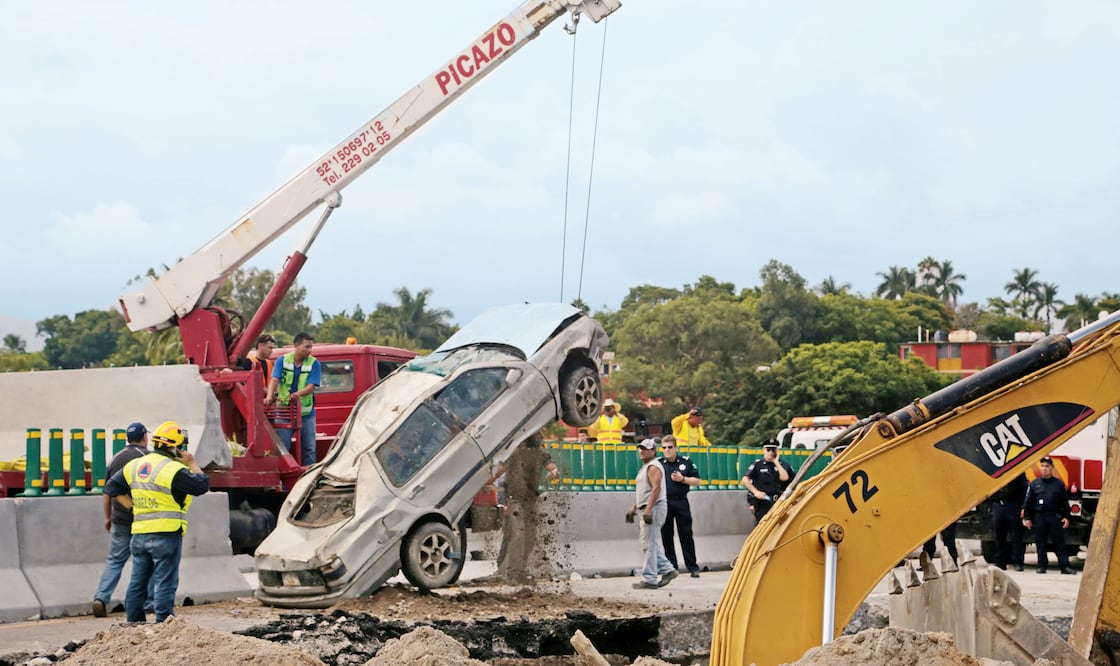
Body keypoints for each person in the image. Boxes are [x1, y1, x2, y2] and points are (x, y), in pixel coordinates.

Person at [104, 421, 210, 623]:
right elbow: (202, 485)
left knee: (137, 582)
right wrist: (192, 463)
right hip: (166, 533)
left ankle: (134, 623)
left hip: (140, 533)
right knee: (165, 581)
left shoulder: (135, 466)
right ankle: (164, 624)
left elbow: (111, 488)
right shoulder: (172, 470)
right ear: (176, 447)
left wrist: (132, 507)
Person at [91, 422, 154, 617]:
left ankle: (100, 598)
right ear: (144, 437)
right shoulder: (147, 458)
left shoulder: (114, 458)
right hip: (142, 518)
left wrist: (108, 517)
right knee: (146, 559)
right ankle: (149, 601)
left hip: (119, 519)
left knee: (115, 560)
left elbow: (107, 491)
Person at [625, 438, 678, 589]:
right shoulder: (647, 467)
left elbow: (656, 489)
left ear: (654, 451)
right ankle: (668, 570)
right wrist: (634, 508)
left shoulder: (653, 467)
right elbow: (645, 492)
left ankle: (649, 579)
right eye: (640, 448)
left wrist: (648, 509)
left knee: (648, 543)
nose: (642, 451)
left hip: (654, 508)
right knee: (648, 543)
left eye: (646, 449)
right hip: (648, 507)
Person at [265, 332, 321, 466]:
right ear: (296, 345)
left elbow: (312, 386)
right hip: (284, 410)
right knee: (282, 448)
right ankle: (282, 482)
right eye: (306, 347)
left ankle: (309, 479)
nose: (309, 350)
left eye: (311, 347)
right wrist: (269, 396)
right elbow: (275, 379)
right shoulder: (282, 360)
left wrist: (298, 394)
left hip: (306, 413)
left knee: (309, 448)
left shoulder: (314, 363)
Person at [658, 434, 704, 577]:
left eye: (670, 447)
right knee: (666, 534)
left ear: (676, 448)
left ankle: (692, 566)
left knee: (686, 533)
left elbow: (697, 481)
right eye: (664, 447)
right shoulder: (659, 463)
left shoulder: (685, 462)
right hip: (665, 502)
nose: (667, 450)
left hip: (681, 501)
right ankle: (671, 566)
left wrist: (683, 479)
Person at [1023, 457, 1075, 575]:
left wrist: (1066, 517)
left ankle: (1064, 566)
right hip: (1040, 517)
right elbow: (1029, 502)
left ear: (1052, 468)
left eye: (1047, 466)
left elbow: (1064, 503)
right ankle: (1041, 566)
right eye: (1042, 466)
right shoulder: (1035, 484)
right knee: (1040, 543)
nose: (1044, 469)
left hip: (1054, 517)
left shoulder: (1058, 484)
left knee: (1059, 543)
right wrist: (1027, 518)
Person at [741, 438, 794, 523]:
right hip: (763, 502)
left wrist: (776, 462)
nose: (770, 452)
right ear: (763, 450)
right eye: (768, 450)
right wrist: (756, 492)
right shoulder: (758, 465)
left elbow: (785, 478)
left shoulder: (783, 465)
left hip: (780, 501)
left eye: (773, 450)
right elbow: (745, 479)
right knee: (763, 526)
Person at [991, 473, 1029, 571]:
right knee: (999, 535)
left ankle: (1018, 562)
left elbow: (1024, 488)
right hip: (998, 505)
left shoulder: (1017, 471)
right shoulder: (996, 469)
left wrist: (1023, 507)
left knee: (1016, 536)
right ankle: (1000, 562)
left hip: (1012, 505)